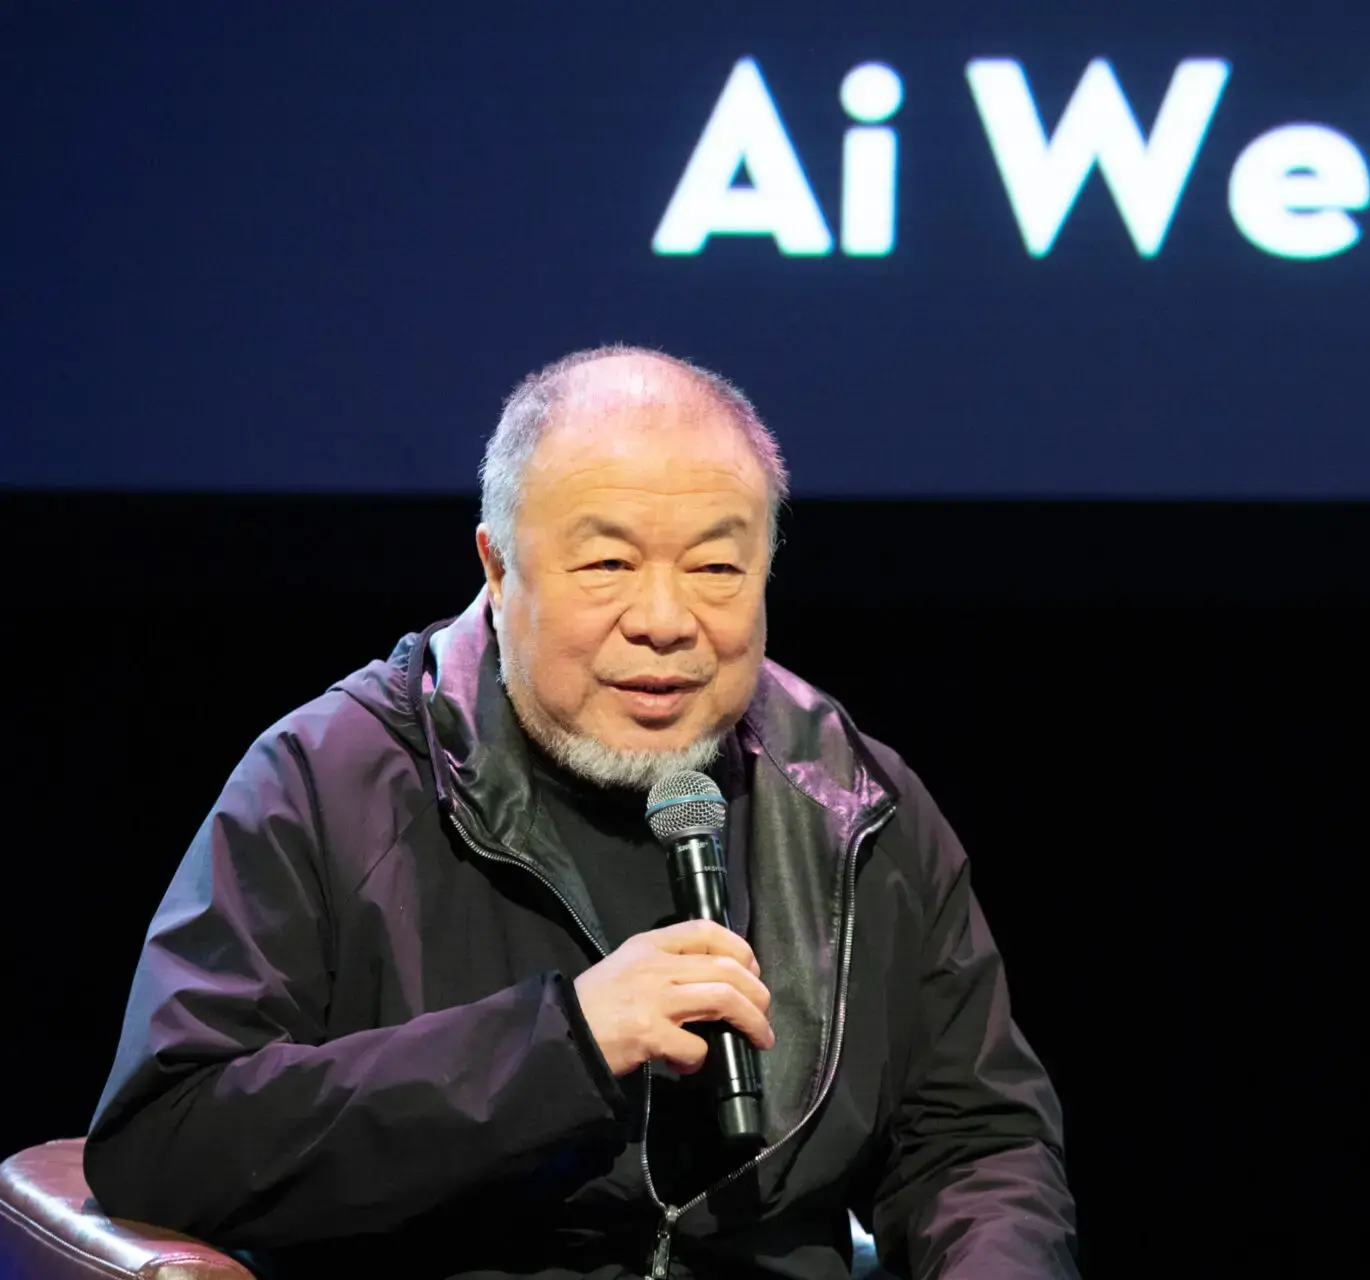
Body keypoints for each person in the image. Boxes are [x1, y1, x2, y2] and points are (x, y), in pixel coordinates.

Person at [83, 347, 1077, 1279]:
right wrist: (561, 1042)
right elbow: (170, 1136)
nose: (664, 617)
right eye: (606, 565)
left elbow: (975, 1142)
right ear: (498, 567)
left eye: (718, 568)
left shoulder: (853, 801)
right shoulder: (331, 778)